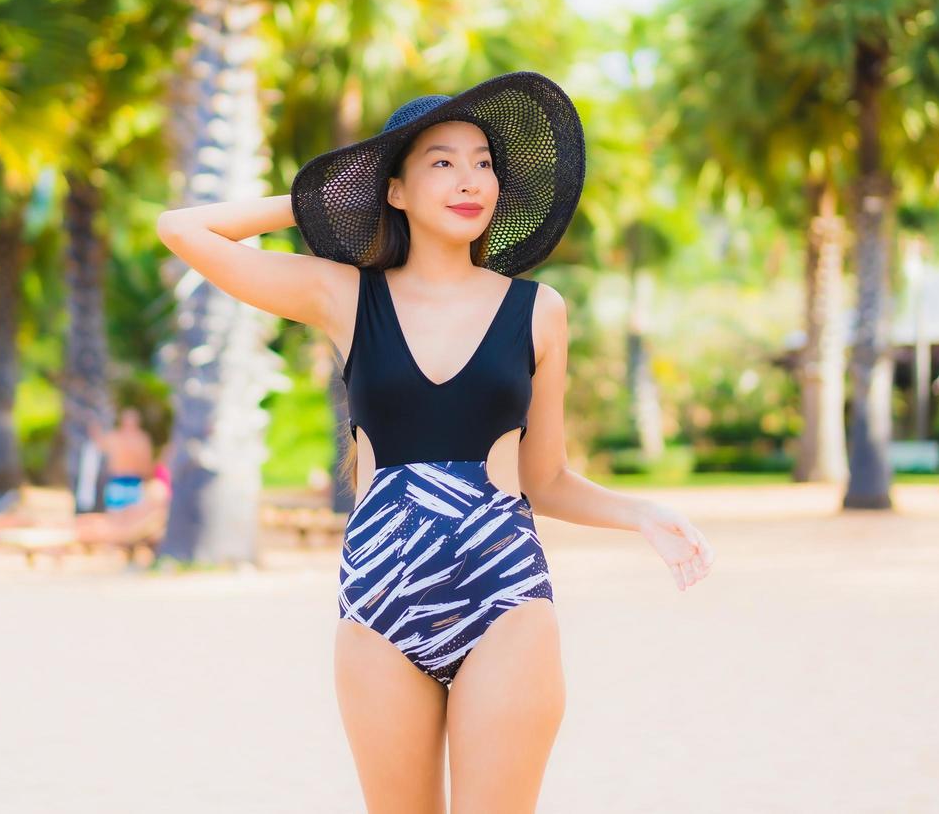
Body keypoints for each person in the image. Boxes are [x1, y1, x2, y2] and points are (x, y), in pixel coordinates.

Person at [156, 70, 715, 812]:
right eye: (441, 162)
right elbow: (183, 230)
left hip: (504, 598)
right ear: (395, 189)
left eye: (483, 161)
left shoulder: (537, 312)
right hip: (380, 601)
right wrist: (317, 200)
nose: (470, 179)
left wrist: (643, 514)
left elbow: (545, 479)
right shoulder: (345, 296)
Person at [89, 409, 157, 511]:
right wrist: (93, 426)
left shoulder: (142, 439)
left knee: (133, 518)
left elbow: (147, 462)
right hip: (116, 481)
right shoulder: (115, 437)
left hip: (135, 482)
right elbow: (100, 443)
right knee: (115, 515)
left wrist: (148, 481)